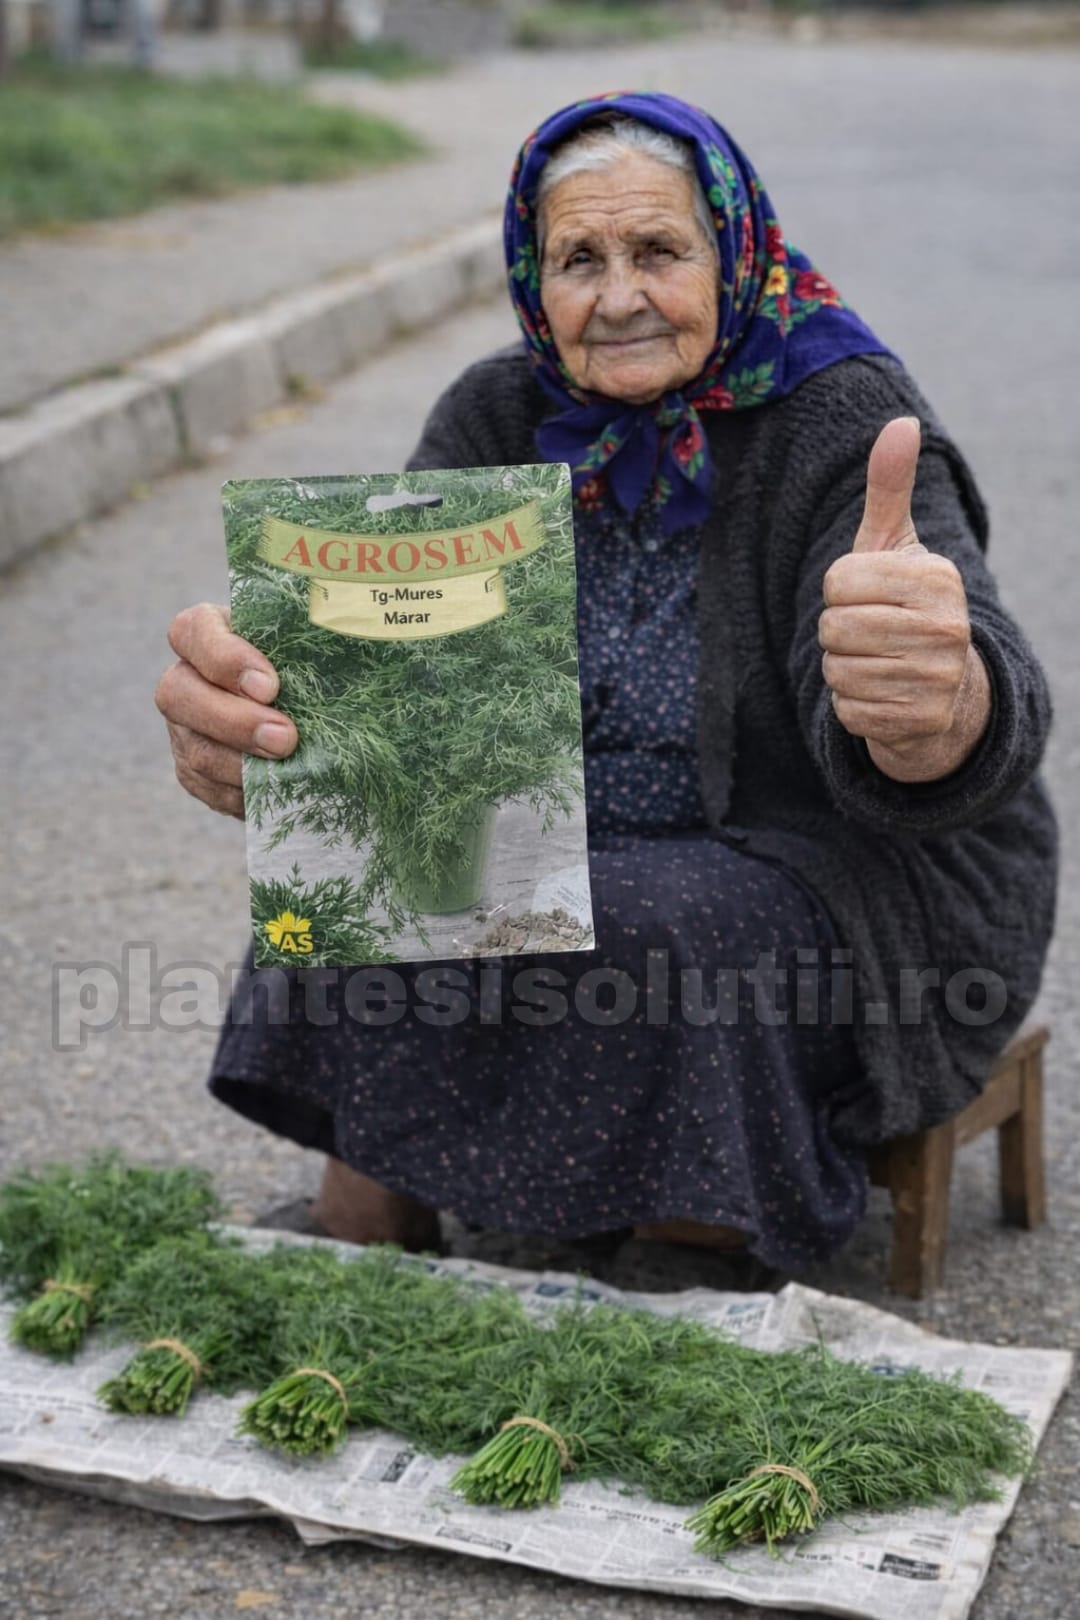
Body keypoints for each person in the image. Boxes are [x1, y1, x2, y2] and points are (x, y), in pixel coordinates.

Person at [155, 92, 1057, 1271]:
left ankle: (691, 1251)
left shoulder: (843, 417)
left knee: (657, 927)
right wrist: (282, 731)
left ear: (733, 250)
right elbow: (404, 685)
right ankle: (373, 1206)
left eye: (660, 251)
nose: (619, 296)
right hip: (578, 833)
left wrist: (939, 708)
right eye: (579, 259)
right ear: (536, 278)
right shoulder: (498, 410)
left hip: (835, 854)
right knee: (371, 861)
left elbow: (984, 690)